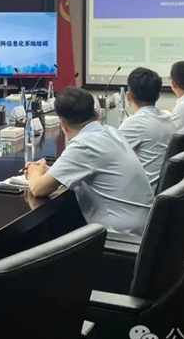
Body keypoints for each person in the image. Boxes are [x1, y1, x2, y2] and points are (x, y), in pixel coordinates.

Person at [24, 87, 154, 236]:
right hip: (146, 228)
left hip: (122, 235)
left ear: (63, 124)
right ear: (96, 114)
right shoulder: (110, 132)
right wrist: (49, 171)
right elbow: (85, 166)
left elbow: (38, 189)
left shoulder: (83, 145)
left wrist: (33, 172)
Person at [118, 68, 177, 192]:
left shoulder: (134, 123)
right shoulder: (167, 117)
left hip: (143, 193)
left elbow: (110, 157)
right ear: (158, 96)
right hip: (164, 189)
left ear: (128, 96)